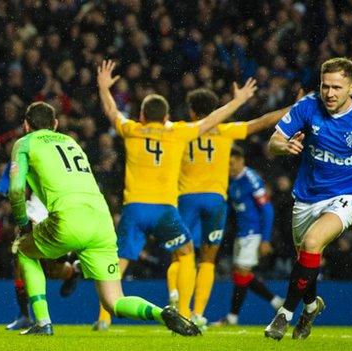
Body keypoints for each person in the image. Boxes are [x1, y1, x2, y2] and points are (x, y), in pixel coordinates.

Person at [9, 100, 199, 336]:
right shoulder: (71, 142)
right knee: (115, 301)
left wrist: (23, 223)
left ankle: (43, 322)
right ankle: (162, 313)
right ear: (55, 124)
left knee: (24, 250)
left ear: (26, 125)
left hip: (68, 218)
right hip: (102, 220)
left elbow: (16, 190)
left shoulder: (25, 143)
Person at [94, 60, 257, 329]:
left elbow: (112, 113)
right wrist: (238, 101)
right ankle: (184, 312)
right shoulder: (178, 133)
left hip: (135, 207)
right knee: (185, 253)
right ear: (167, 116)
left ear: (143, 116)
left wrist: (103, 88)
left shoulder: (132, 130)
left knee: (120, 260)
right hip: (165, 210)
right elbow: (211, 120)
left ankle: (103, 317)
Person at [264, 57, 352, 340]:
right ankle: (311, 306)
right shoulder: (307, 106)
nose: (329, 93)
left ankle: (284, 314)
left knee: (312, 243)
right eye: (325, 86)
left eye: (337, 87)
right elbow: (273, 142)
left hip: (348, 195)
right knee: (305, 257)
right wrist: (284, 145)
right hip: (307, 196)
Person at [170, 88, 296, 327]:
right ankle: (198, 313)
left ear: (191, 111)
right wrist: (295, 108)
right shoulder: (225, 131)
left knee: (182, 255)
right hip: (215, 200)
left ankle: (182, 309)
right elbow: (262, 121)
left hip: (186, 198)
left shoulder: (182, 130)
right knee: (208, 259)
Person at [0, 162, 82, 331]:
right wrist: (1, 189)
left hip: (61, 206)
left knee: (52, 269)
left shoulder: (60, 146)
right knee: (20, 252)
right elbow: (13, 164)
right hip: (39, 205)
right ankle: (25, 315)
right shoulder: (30, 145)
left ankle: (72, 272)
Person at [213, 146, 284, 326]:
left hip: (253, 233)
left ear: (241, 161)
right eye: (227, 164)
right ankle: (277, 302)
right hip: (241, 233)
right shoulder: (230, 180)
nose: (229, 167)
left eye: (232, 163)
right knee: (240, 274)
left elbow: (267, 209)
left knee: (241, 272)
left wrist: (265, 239)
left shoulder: (251, 179)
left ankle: (232, 317)